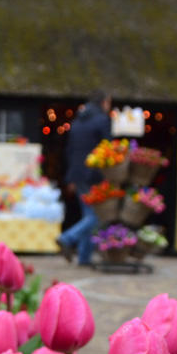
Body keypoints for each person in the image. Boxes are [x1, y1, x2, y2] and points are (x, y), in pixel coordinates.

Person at [58, 91, 113, 265]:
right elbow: (108, 148)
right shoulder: (102, 120)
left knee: (88, 214)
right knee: (97, 216)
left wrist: (71, 178)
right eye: (109, 103)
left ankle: (84, 257)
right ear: (104, 102)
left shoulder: (76, 122)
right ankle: (67, 238)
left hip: (77, 173)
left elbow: (70, 151)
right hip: (93, 174)